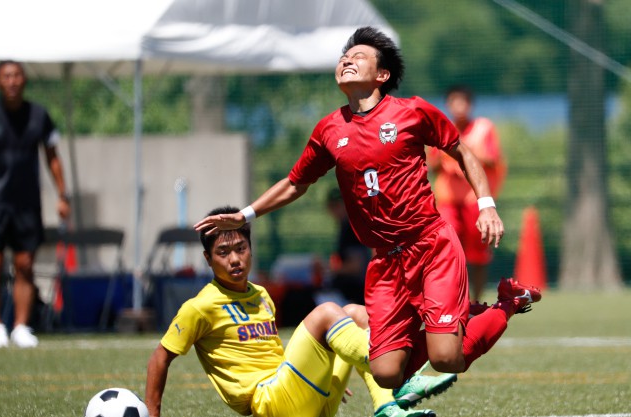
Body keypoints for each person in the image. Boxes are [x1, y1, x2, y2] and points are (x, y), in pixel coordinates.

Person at [194, 27, 541, 393]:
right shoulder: (329, 129)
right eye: (344, 57)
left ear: (382, 75)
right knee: (388, 374)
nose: (347, 60)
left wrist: (486, 206)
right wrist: (245, 215)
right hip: (386, 263)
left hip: (431, 246)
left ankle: (506, 303)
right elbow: (296, 182)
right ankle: (454, 320)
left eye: (358, 57)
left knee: (446, 359)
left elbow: (462, 151)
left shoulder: (412, 112)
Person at [146, 206, 457, 417]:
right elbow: (161, 356)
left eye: (240, 248)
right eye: (223, 252)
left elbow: (271, 354)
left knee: (355, 313)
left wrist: (316, 375)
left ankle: (385, 407)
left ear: (251, 250)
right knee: (326, 312)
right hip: (271, 406)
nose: (234, 259)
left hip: (307, 403)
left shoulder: (262, 295)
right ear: (207, 259)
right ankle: (401, 376)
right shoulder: (199, 306)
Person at [0, 60, 71, 348]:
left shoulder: (39, 115)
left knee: (25, 264)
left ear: (24, 81)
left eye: (16, 76)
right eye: (6, 76)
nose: (12, 81)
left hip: (27, 203)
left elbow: (52, 156)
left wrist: (62, 195)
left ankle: (21, 326)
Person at [428, 85, 507, 301]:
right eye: (454, 101)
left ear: (470, 105)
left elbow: (494, 159)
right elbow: (433, 164)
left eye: (463, 101)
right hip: (449, 201)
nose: (459, 106)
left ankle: (477, 301)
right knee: (448, 251)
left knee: (479, 254)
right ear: (448, 104)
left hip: (475, 201)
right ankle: (454, 299)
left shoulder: (483, 128)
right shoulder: (442, 127)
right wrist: (442, 162)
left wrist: (469, 158)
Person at [325, 187, 369, 305]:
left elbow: (356, 266)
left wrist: (330, 270)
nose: (333, 210)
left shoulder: (351, 228)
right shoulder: (346, 226)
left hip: (355, 294)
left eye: (337, 206)